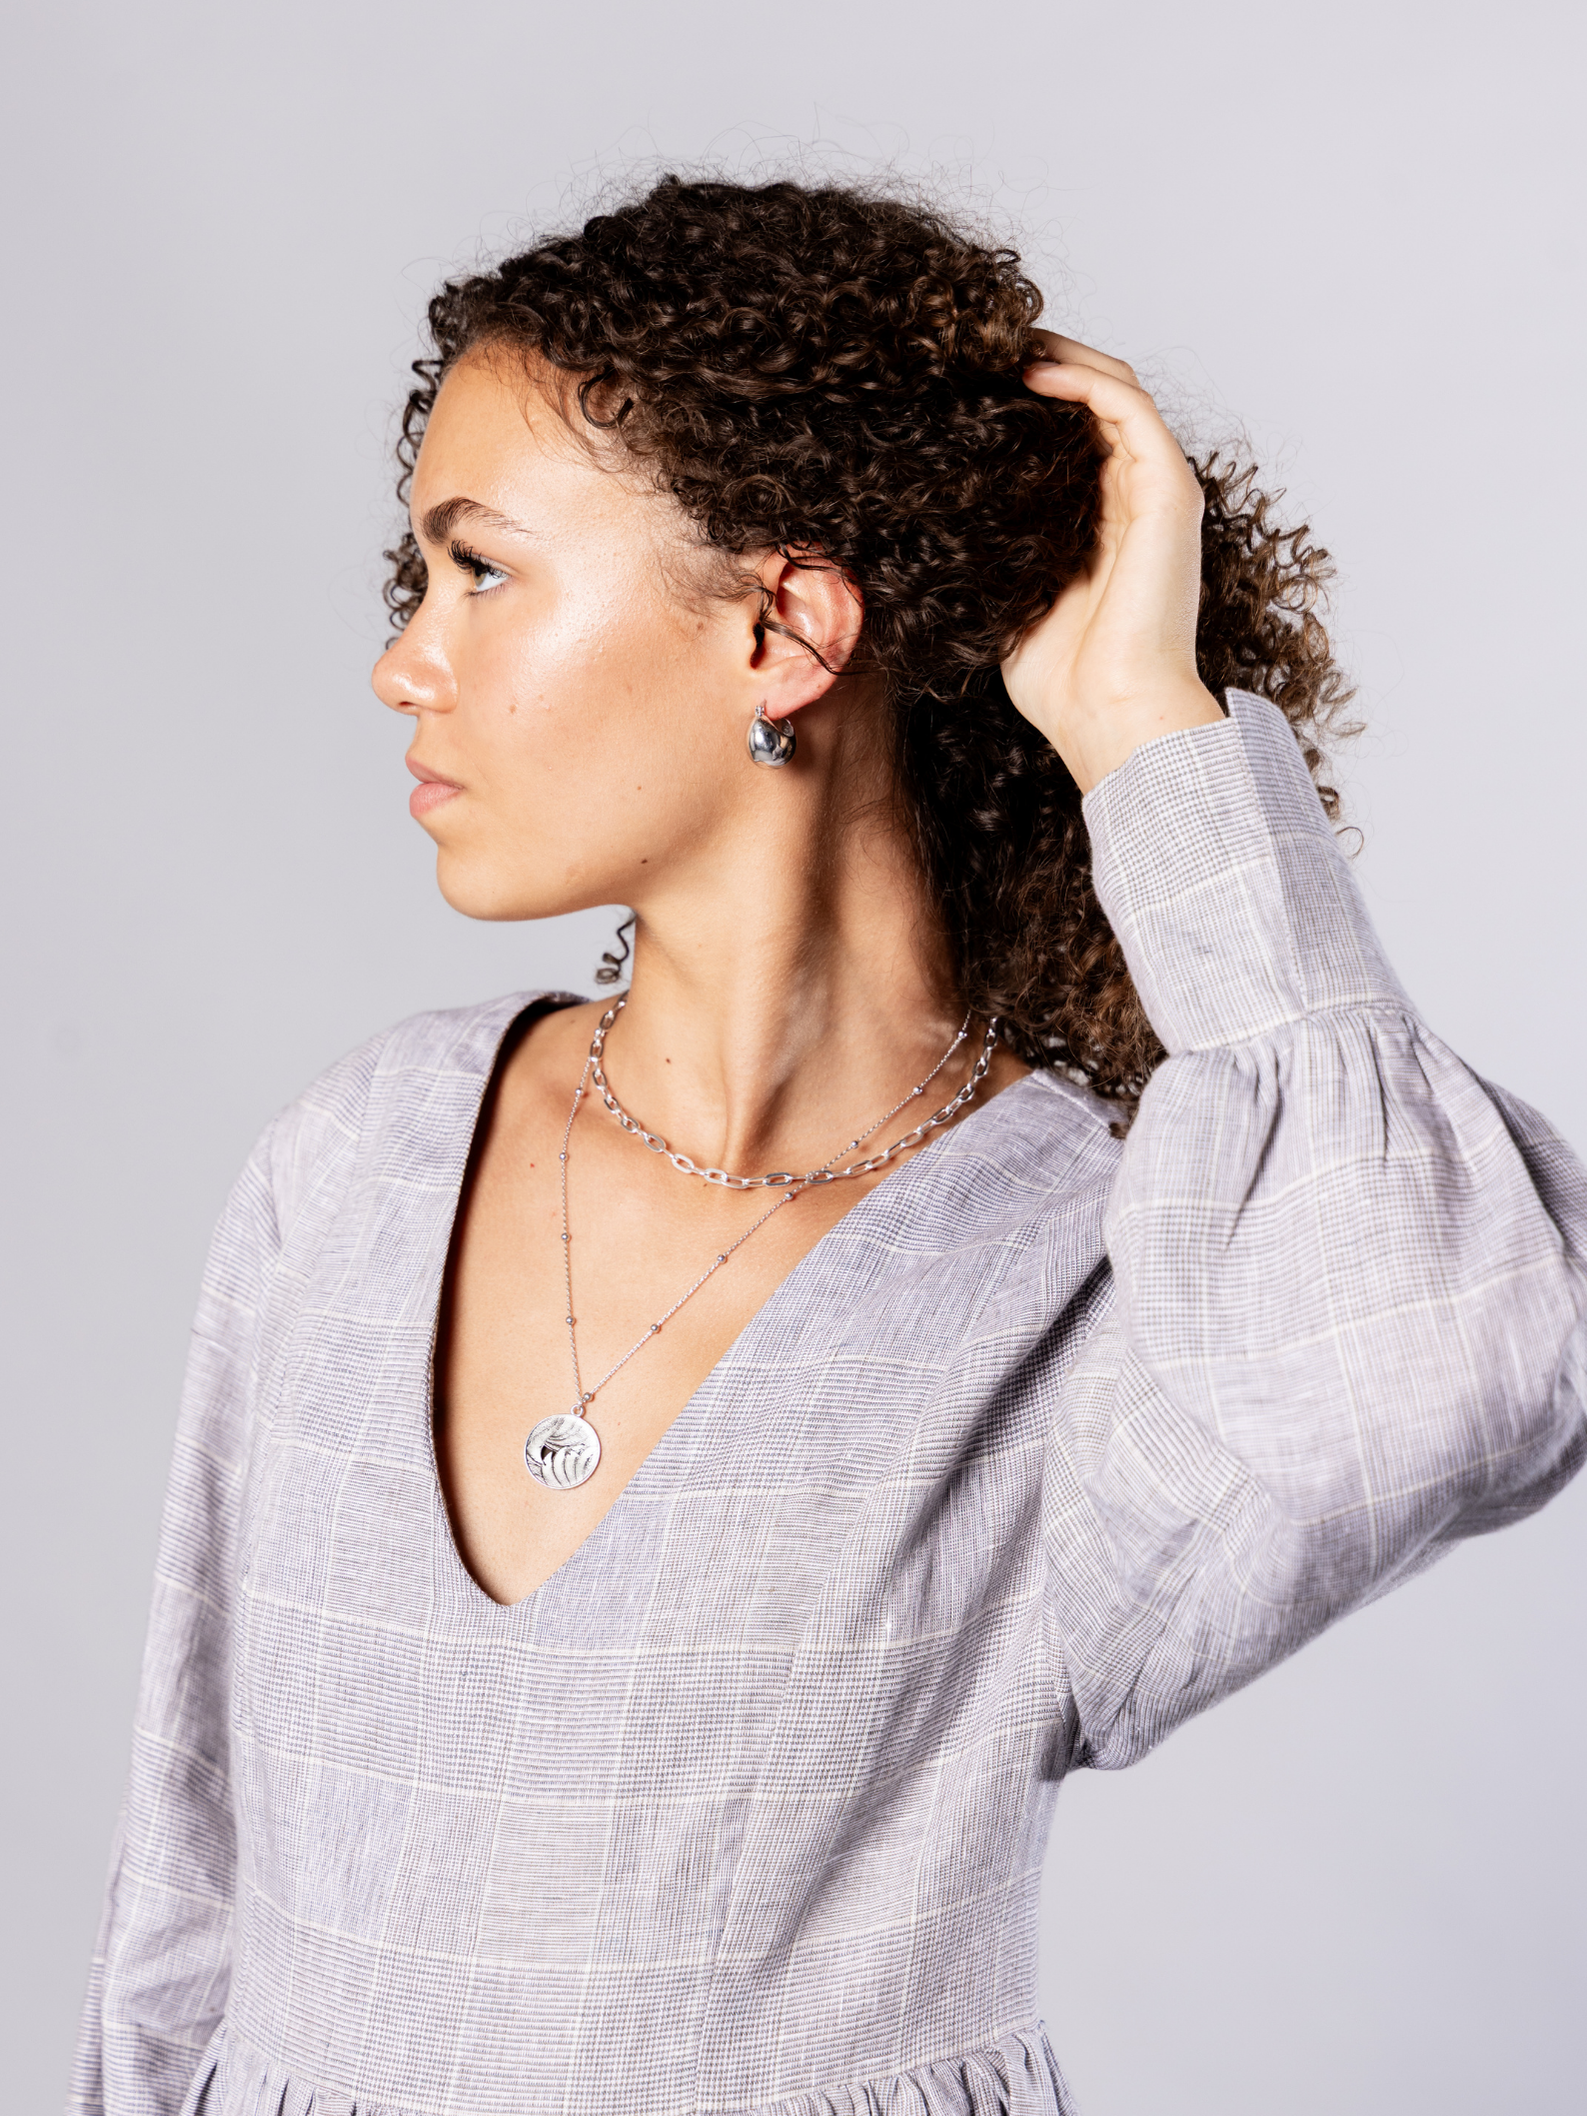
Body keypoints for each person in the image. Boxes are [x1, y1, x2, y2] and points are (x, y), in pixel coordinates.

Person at [71, 175, 1586, 2116]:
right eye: (416, 577)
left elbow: (1450, 1362)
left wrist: (1143, 725)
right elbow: (182, 1914)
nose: (404, 660)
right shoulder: (354, 1169)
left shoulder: (1085, 1265)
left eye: (482, 571)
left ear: (782, 627)